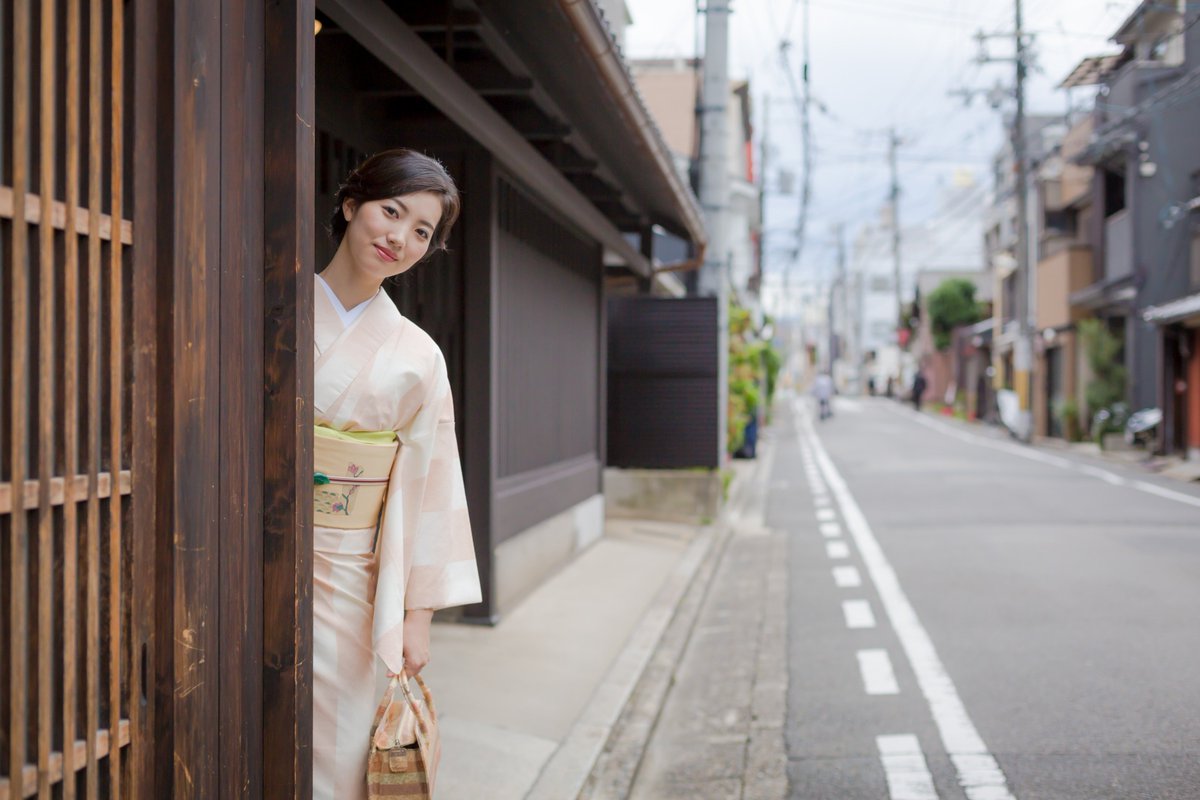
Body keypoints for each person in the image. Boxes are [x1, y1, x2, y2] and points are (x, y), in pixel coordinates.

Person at [312, 149, 481, 799]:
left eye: (421, 233)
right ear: (352, 205)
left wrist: (418, 613)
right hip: (248, 543)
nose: (400, 238)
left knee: (339, 742)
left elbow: (433, 485)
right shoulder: (271, 307)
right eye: (392, 211)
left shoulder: (419, 355)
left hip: (351, 572)